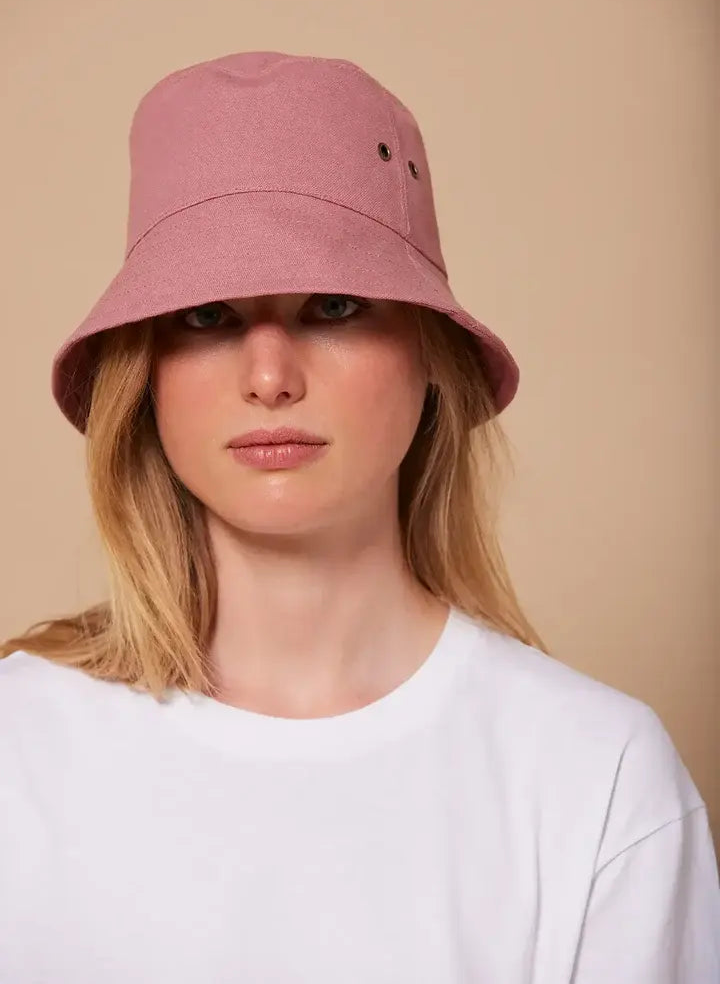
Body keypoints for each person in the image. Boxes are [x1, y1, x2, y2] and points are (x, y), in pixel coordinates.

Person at [0, 50, 718, 984]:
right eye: (207, 315)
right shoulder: (19, 745)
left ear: (431, 356)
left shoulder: (597, 778)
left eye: (333, 305)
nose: (270, 376)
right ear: (145, 377)